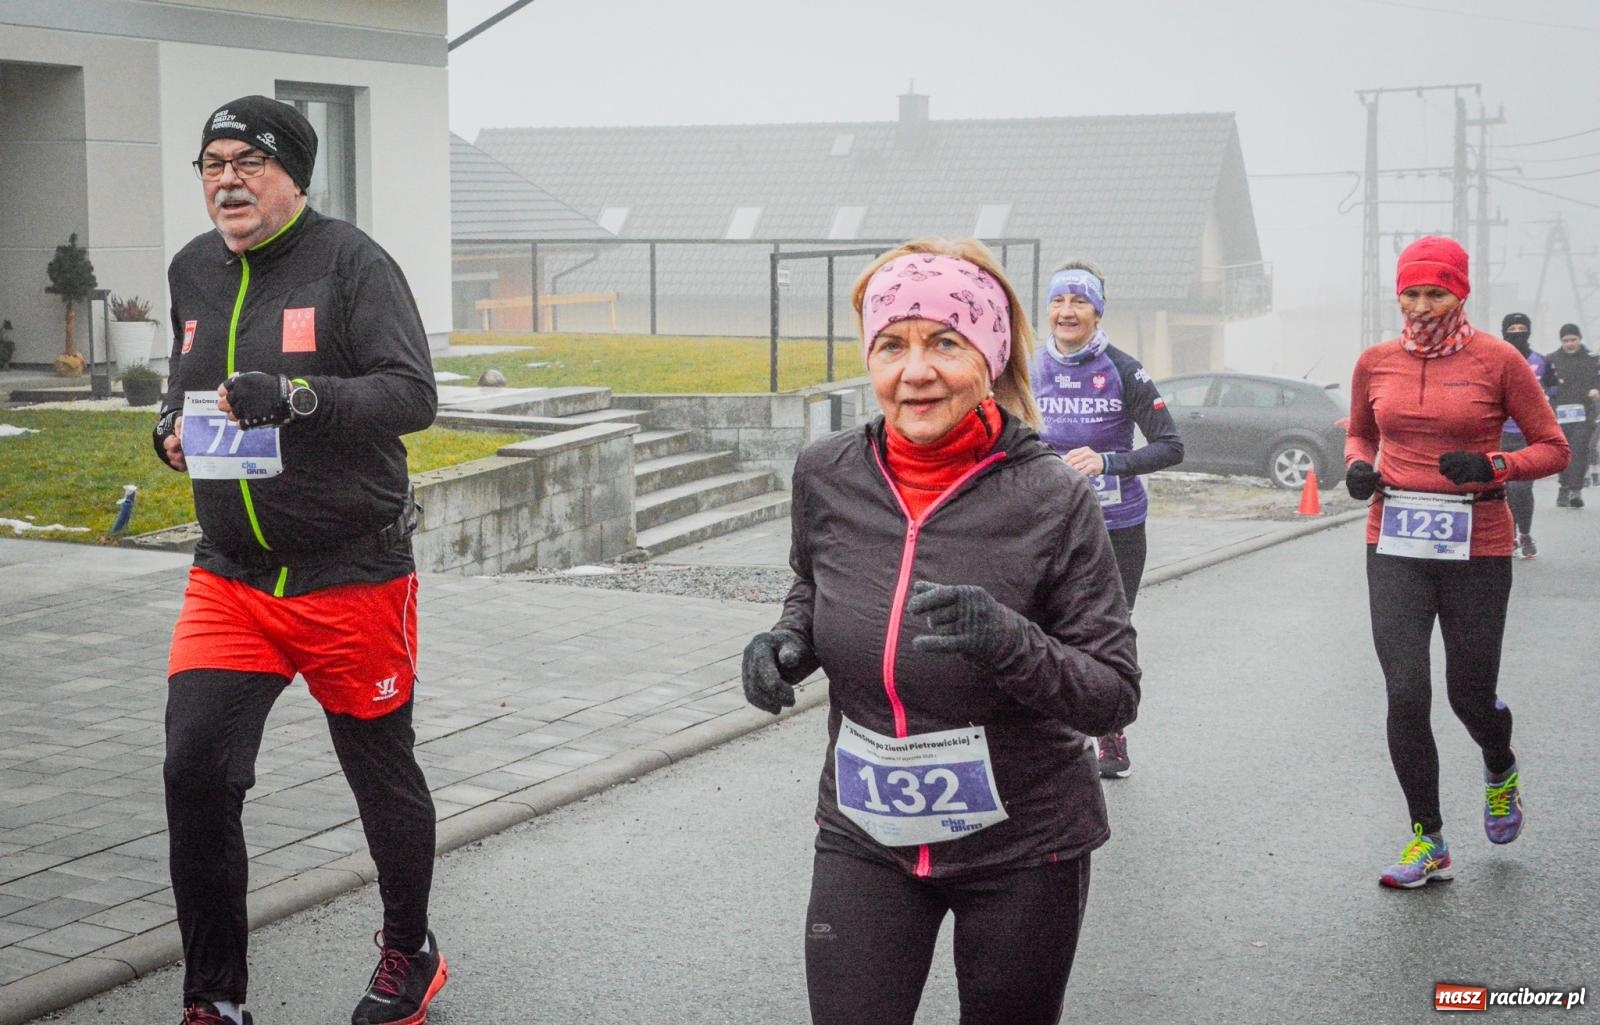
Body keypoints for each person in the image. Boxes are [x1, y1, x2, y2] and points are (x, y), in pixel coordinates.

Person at [741, 238, 1140, 1025]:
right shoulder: (826, 473)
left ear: (989, 356)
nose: (914, 370)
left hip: (1023, 847)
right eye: (892, 344)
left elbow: (1113, 695)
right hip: (865, 834)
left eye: (944, 343)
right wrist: (789, 642)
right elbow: (815, 584)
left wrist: (1006, 639)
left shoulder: (1053, 498)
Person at [152, 96, 447, 1025]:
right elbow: (185, 382)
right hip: (231, 577)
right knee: (195, 769)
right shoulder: (193, 269)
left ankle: (411, 950)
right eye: (211, 163)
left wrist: (297, 399)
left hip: (351, 571)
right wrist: (167, 428)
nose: (226, 179)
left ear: (294, 175)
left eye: (248, 161)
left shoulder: (353, 263)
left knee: (379, 772)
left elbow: (412, 395)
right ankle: (215, 1000)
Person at [1344, 236, 1568, 890]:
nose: (1420, 306)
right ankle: (1429, 838)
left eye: (1434, 293)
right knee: (1406, 690)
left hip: (1478, 541)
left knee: (1468, 695)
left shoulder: (1499, 362)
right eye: (1410, 293)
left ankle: (1499, 763)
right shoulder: (1375, 361)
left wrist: (1494, 464)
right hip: (1395, 539)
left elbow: (1554, 448)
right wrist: (1360, 465)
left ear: (1460, 292)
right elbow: (1360, 430)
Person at [1030, 260, 1182, 779]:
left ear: (1097, 312)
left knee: (1105, 632)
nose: (1066, 312)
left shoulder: (1124, 368)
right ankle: (1052, 736)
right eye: (1057, 301)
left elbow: (1171, 446)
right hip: (1048, 522)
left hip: (1117, 525)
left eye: (1079, 302)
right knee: (1044, 626)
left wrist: (1108, 462)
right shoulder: (1030, 370)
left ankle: (1110, 735)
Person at [1496, 313, 1551, 557]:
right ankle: (1511, 534)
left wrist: (1547, 397)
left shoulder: (1541, 361)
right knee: (1504, 488)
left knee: (1521, 488)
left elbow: (1555, 387)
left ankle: (1525, 533)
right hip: (1498, 436)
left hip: (1527, 436)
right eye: (1512, 328)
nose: (1517, 332)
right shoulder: (1494, 359)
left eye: (1522, 328)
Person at [1545, 322, 1600, 509]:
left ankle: (1576, 490)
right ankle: (1564, 487)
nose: (1570, 343)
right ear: (1561, 341)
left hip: (1583, 414)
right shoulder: (1551, 360)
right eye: (1566, 340)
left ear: (1580, 339)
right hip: (1559, 414)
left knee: (1579, 450)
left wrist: (1596, 389)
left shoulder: (1592, 359)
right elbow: (1542, 383)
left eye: (1573, 340)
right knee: (1563, 452)